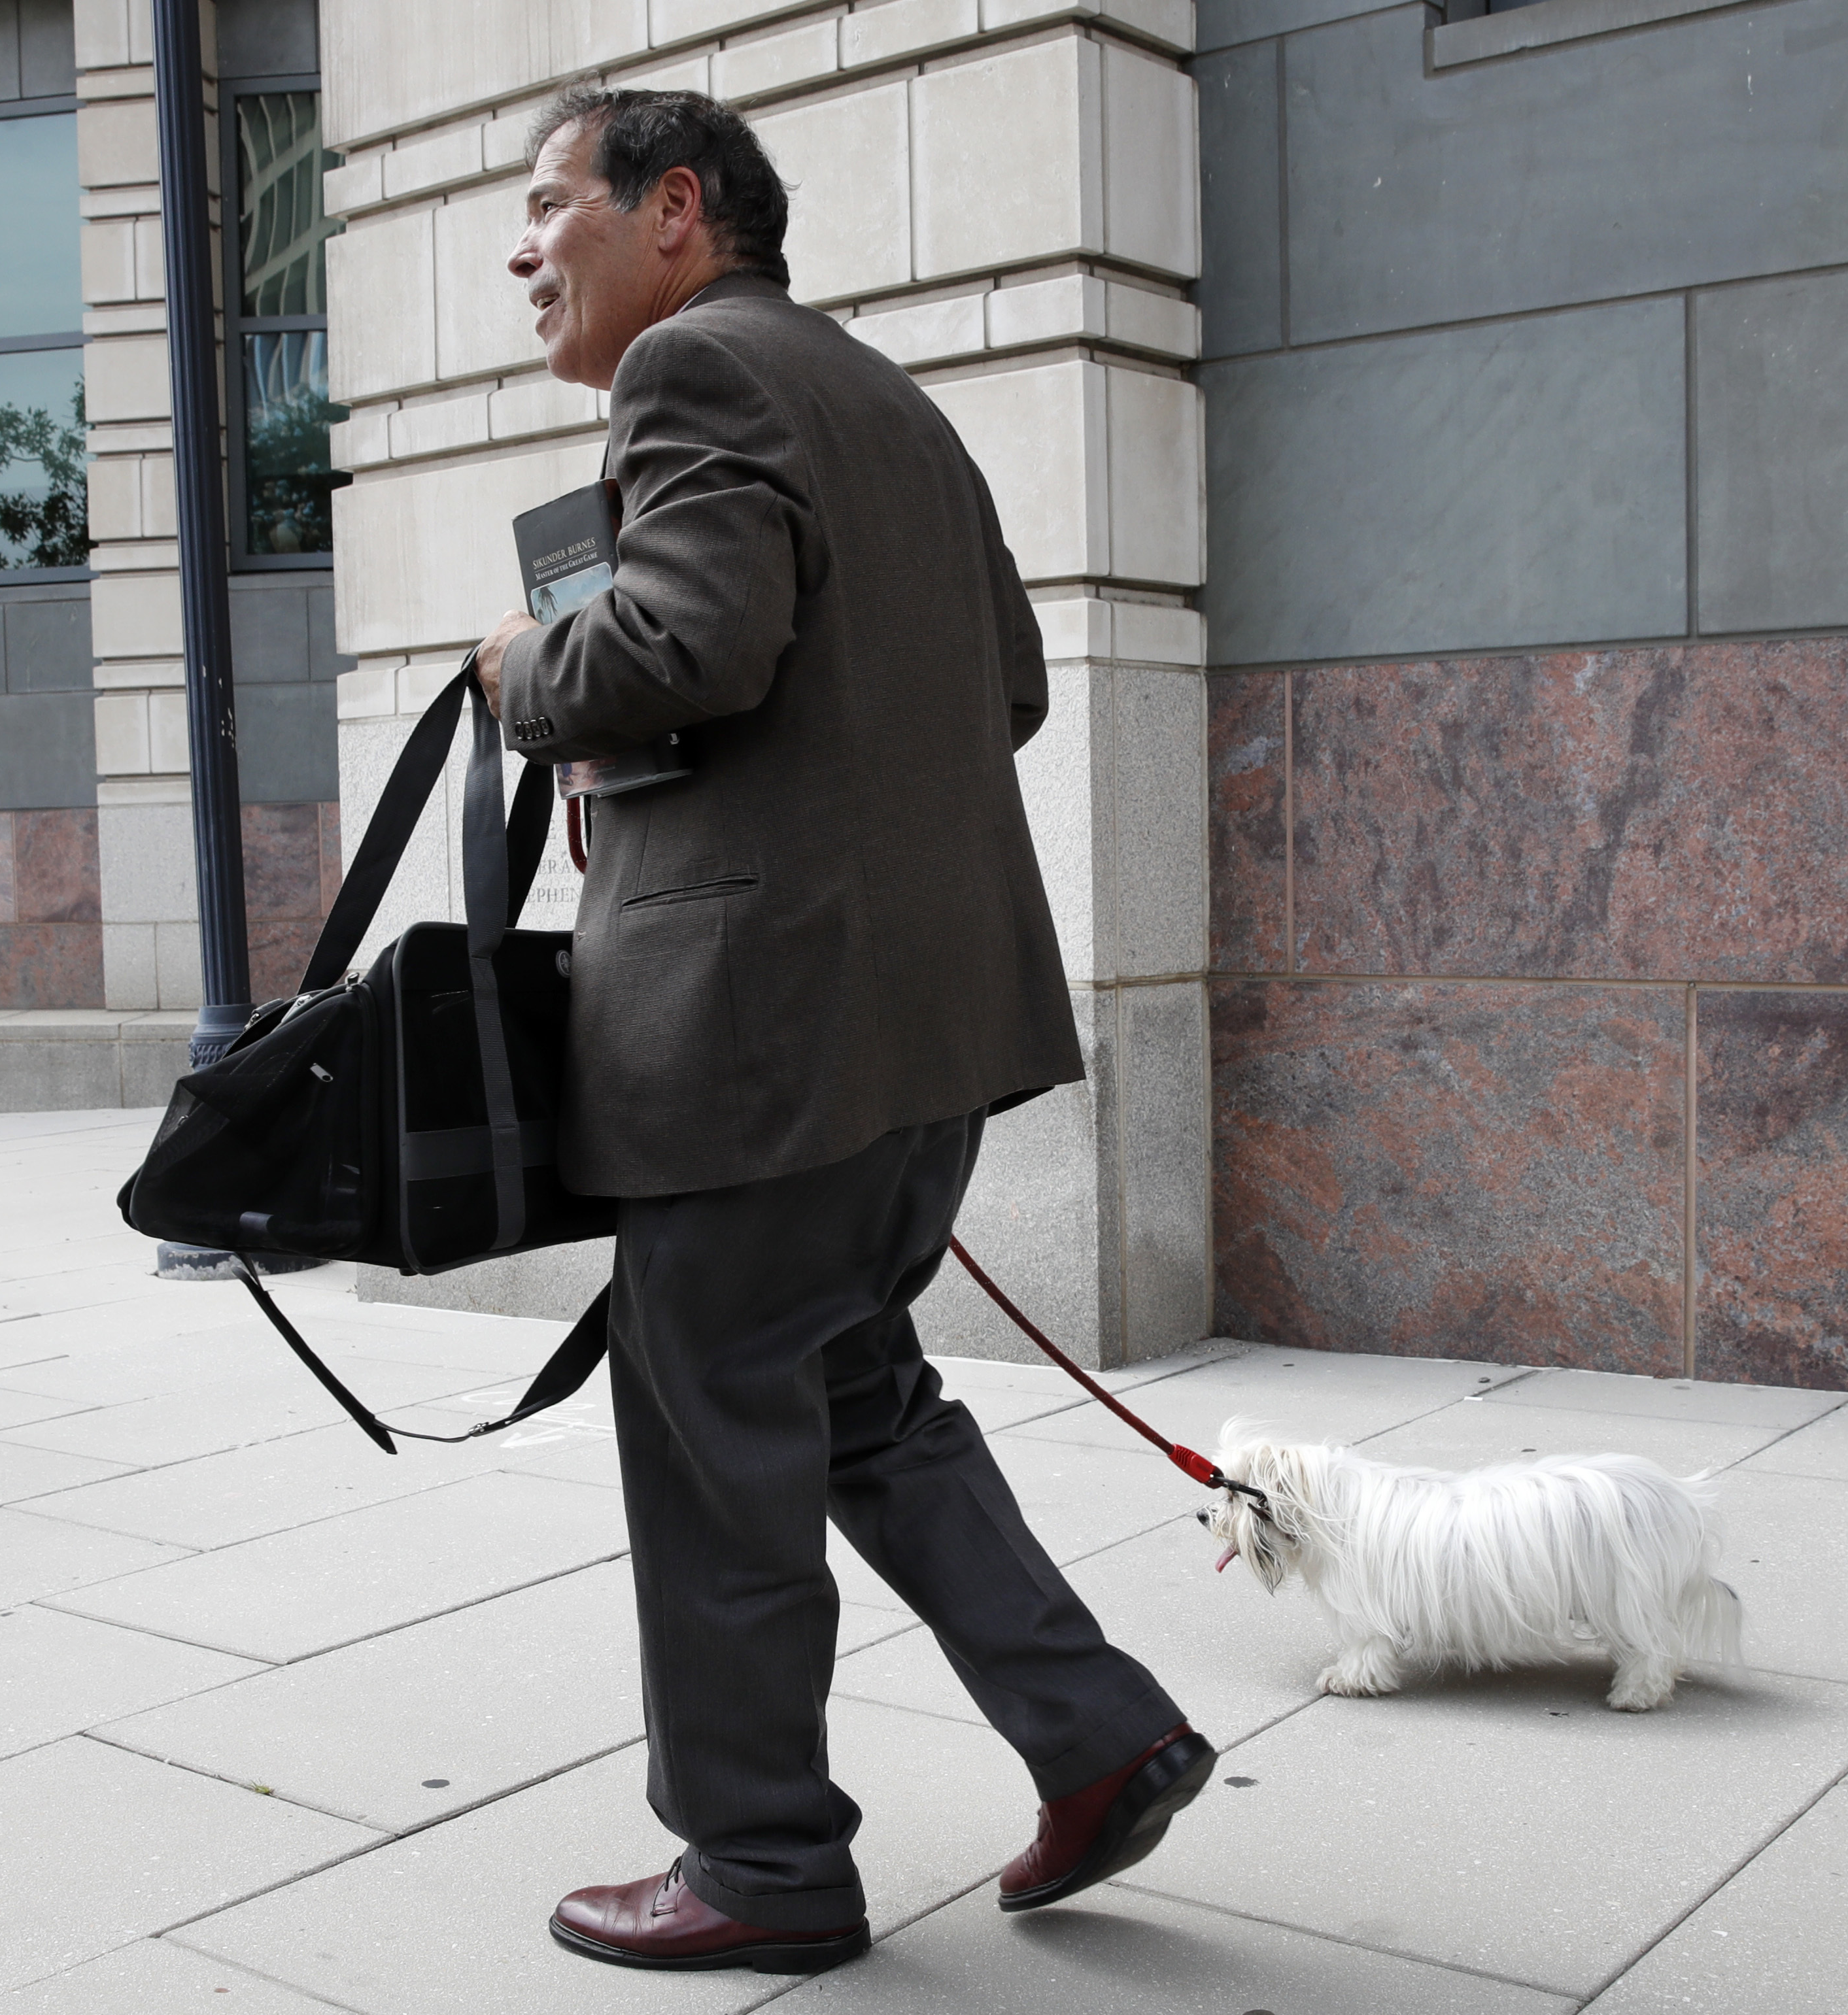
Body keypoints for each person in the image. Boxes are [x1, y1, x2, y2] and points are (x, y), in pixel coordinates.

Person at [472, 86, 1210, 1976]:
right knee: (860, 1394)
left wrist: (520, 667)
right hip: (919, 1035)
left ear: (680, 209)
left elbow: (683, 647)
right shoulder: (890, 399)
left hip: (759, 1044)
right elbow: (1014, 686)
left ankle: (762, 1859)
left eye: (554, 204)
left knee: (716, 1412)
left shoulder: (694, 375)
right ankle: (1101, 1733)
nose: (522, 247)